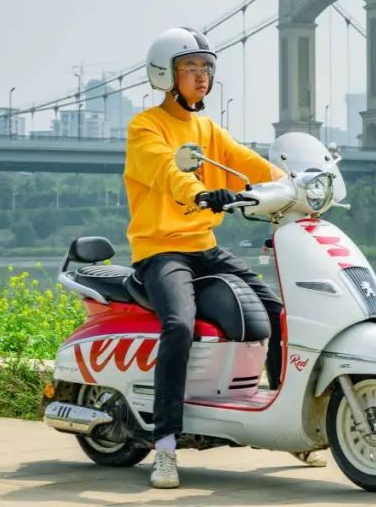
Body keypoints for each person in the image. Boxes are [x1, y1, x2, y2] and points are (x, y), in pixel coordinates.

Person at [124, 26, 324, 489]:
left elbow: (247, 161)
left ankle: (284, 420)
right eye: (190, 68)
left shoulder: (207, 128)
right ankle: (166, 446)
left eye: (206, 68)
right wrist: (201, 194)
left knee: (276, 311)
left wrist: (295, 186)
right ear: (165, 75)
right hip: (161, 251)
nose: (201, 77)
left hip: (204, 249)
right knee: (180, 325)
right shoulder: (145, 128)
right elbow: (169, 171)